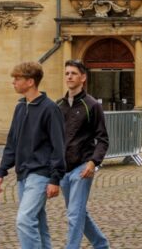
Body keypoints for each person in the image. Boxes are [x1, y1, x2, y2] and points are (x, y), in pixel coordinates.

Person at [0, 62, 65, 249]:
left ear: (30, 81)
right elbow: (12, 143)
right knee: (38, 223)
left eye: (17, 78)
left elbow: (59, 146)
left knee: (24, 220)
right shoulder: (20, 107)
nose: (13, 82)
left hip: (40, 175)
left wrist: (55, 179)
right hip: (22, 174)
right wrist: (1, 172)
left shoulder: (50, 109)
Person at [56, 60, 111, 249]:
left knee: (73, 214)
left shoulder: (92, 105)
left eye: (73, 73)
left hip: (82, 168)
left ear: (83, 78)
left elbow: (102, 138)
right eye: (66, 73)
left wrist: (93, 162)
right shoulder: (59, 106)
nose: (69, 76)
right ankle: (101, 244)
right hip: (63, 169)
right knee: (78, 212)